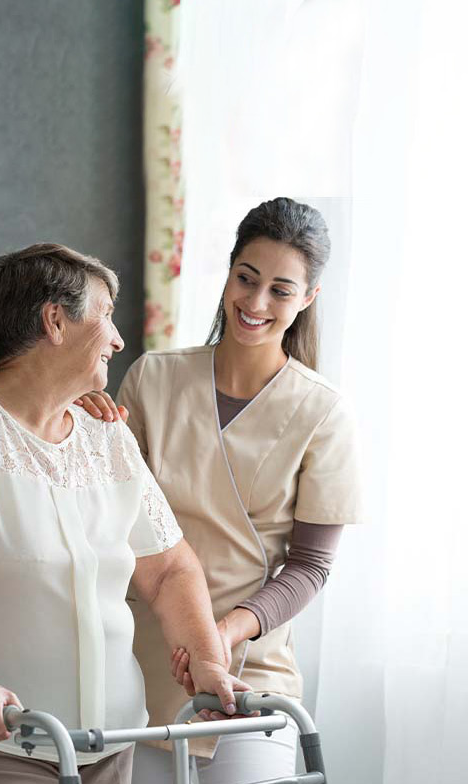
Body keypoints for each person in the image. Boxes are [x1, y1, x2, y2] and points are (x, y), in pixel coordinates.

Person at [0, 244, 248, 784]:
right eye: (105, 315)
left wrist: (207, 660)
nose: (118, 338)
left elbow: (170, 567)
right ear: (55, 321)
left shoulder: (107, 436)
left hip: (112, 742)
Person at [77, 197, 362, 784]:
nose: (255, 304)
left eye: (281, 291)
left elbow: (309, 567)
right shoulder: (155, 377)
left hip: (251, 670)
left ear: (307, 299)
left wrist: (222, 632)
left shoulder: (323, 413)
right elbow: (106, 519)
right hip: (144, 661)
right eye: (246, 279)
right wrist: (82, 428)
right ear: (229, 272)